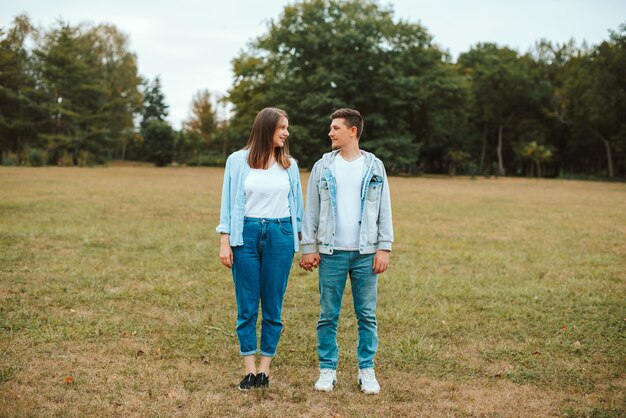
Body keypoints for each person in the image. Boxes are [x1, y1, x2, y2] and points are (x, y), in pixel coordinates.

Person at [299, 108, 393, 395]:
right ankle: (327, 370)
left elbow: (385, 210)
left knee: (367, 315)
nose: (330, 132)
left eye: (336, 128)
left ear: (353, 131)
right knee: (328, 315)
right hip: (331, 253)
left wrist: (384, 248)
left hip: (366, 253)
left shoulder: (374, 167)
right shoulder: (322, 167)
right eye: (331, 128)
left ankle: (367, 370)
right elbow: (311, 211)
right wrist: (308, 247)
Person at [216, 107, 304, 391]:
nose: (286, 133)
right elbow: (227, 204)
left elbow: (298, 210)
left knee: (273, 306)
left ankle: (265, 369)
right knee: (247, 306)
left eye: (287, 128)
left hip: (280, 234)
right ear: (267, 128)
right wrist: (225, 242)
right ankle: (249, 370)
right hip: (246, 235)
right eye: (282, 128)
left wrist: (306, 245)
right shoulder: (237, 161)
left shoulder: (289, 164)